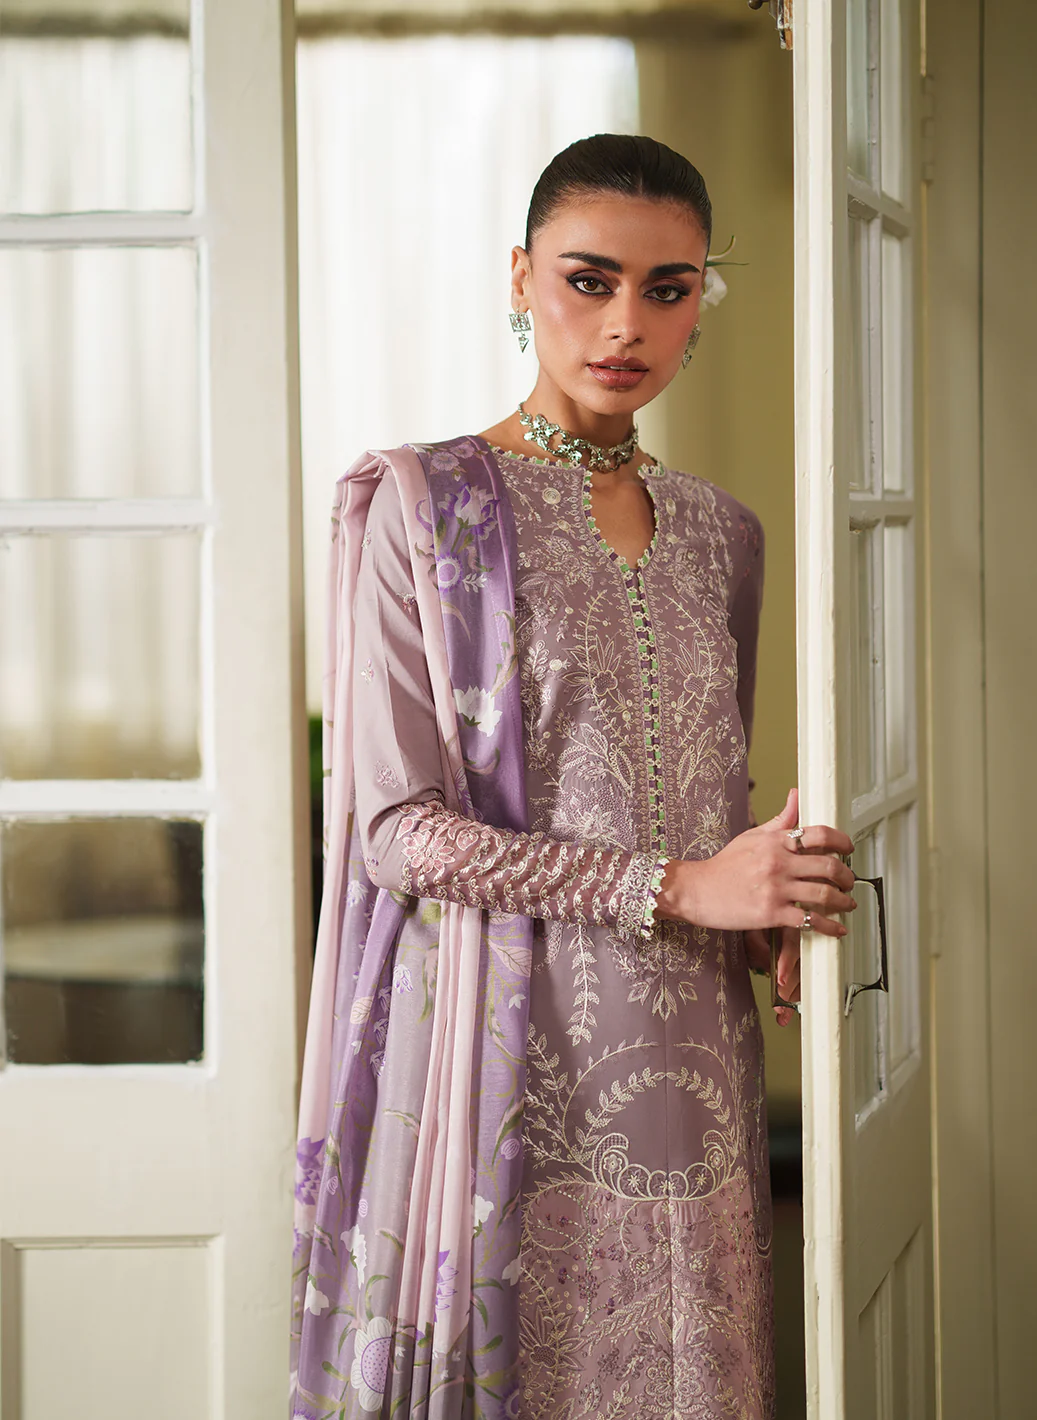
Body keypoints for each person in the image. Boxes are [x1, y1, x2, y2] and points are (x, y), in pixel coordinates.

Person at [290, 133, 857, 1420]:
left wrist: (763, 901)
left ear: (701, 301)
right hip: (499, 1049)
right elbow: (397, 831)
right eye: (588, 280)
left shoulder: (724, 533)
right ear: (520, 277)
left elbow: (703, 790)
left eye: (669, 289)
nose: (624, 325)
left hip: (693, 1059)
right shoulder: (427, 507)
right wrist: (682, 886)